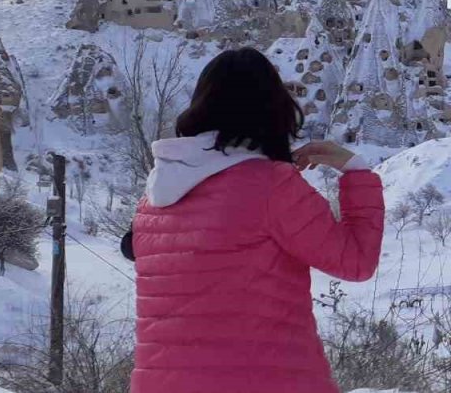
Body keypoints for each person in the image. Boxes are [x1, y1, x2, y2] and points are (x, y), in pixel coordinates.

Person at [130, 47, 385, 393]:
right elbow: (356, 261)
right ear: (274, 110)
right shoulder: (270, 185)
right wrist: (354, 170)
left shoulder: (155, 195)